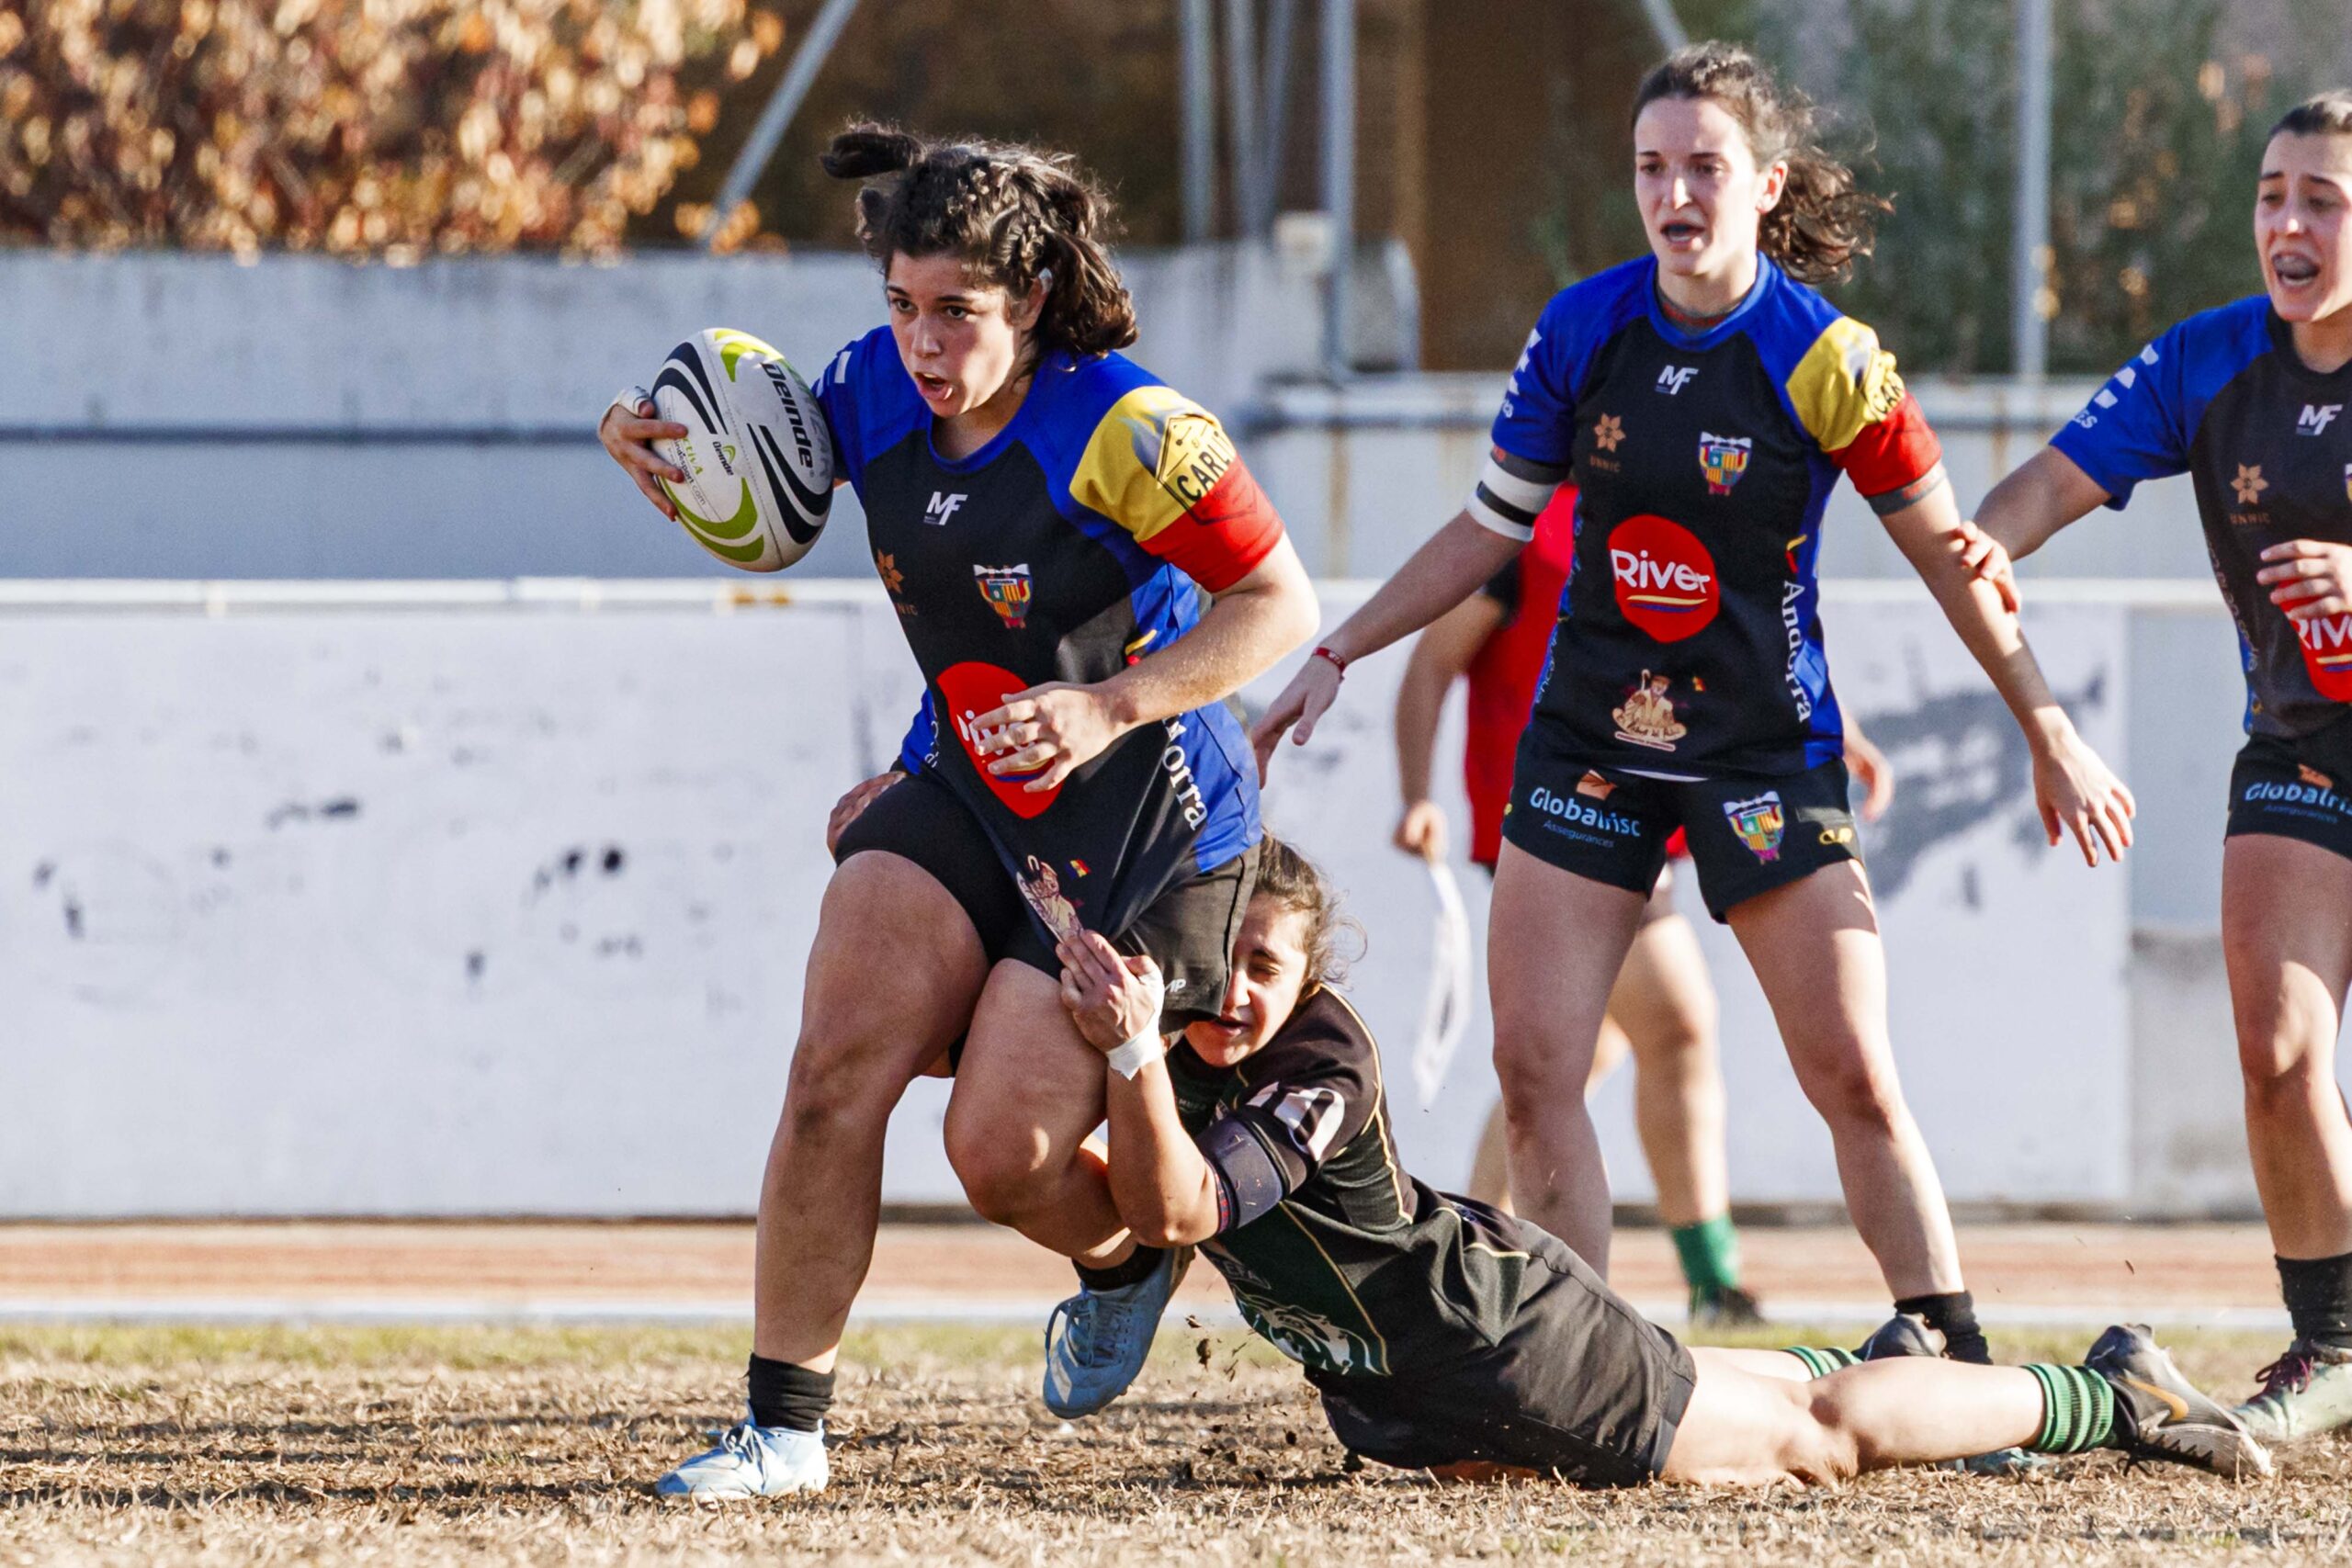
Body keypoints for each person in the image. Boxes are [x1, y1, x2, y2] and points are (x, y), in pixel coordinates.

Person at [1252, 41, 2138, 1374]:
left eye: (1706, 168)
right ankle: (1565, 1363)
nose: (1676, 194)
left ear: (1766, 184)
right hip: (1585, 749)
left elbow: (1956, 559)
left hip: (1762, 755)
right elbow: (1486, 528)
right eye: (1653, 168)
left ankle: (1949, 1341)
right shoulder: (1581, 329)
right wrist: (1341, 648)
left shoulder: (1828, 359)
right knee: (1540, 1067)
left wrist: (2045, 722)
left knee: (1847, 1064)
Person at [597, 126, 1319, 1496]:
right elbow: (776, 498)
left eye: (957, 314)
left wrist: (1111, 706)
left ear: (1032, 299)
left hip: (1146, 821)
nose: (922, 344)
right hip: (974, 786)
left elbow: (1282, 600)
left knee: (997, 1152)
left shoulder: (1125, 428)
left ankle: (1124, 1254)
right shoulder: (870, 388)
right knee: (830, 1068)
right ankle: (785, 1429)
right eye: (902, 305)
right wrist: (664, 456)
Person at [1051, 838, 2268, 1486]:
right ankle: (1943, 1386)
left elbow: (1180, 1204)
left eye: (1272, 966)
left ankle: (2113, 1395)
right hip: (1429, 1382)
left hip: (1503, 1343)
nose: (1242, 990)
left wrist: (1132, 1050)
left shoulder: (1316, 1054)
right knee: (1760, 1389)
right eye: (1227, 961)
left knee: (1821, 1434)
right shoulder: (1178, 1026)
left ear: (1311, 975)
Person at [1959, 91, 2352, 1444]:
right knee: (2278, 1048)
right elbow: (2026, 503)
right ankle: (2339, 1343)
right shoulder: (2207, 360)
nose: (2289, 225)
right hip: (2305, 748)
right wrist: (1985, 565)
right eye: (2272, 194)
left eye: (2325, 200)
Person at [1394, 485, 1900, 1324]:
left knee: (1571, 1060)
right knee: (1675, 1024)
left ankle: (1455, 1256)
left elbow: (1721, 652)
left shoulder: (1663, 515)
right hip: (1555, 822)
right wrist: (1417, 794)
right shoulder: (1531, 531)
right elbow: (1429, 666)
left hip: (1637, 820)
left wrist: (1828, 734)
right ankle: (1708, 1279)